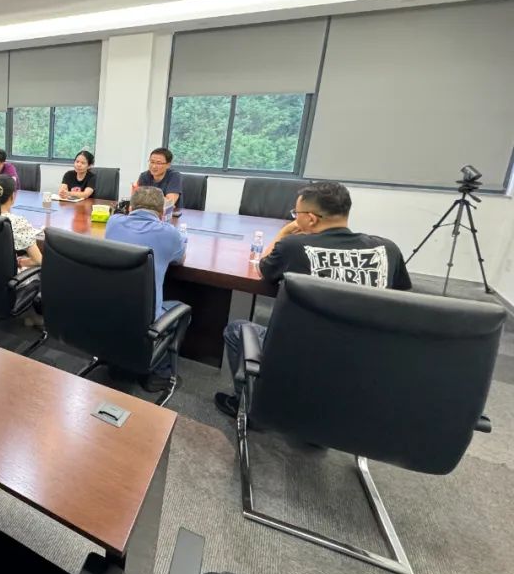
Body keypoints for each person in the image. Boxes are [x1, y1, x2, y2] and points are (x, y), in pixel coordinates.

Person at [214, 181, 413, 419]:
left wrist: (284, 232)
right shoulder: (388, 249)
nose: (294, 218)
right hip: (368, 356)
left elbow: (262, 268)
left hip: (304, 352)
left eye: (295, 214)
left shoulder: (293, 247)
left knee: (237, 329)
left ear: (310, 219)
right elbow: (399, 297)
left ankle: (250, 407)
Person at [105, 187, 187, 389]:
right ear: (162, 213)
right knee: (181, 311)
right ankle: (159, 372)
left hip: (108, 308)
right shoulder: (170, 233)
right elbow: (180, 259)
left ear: (130, 208)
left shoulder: (113, 222)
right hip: (145, 318)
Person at [0, 174, 42, 265]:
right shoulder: (17, 223)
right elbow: (38, 261)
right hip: (3, 272)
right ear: (12, 196)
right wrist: (19, 262)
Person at [132, 148, 183, 213]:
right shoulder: (144, 176)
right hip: (148, 213)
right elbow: (138, 202)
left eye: (158, 163)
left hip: (170, 215)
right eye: (152, 162)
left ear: (168, 165)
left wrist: (147, 198)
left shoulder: (174, 176)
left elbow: (169, 203)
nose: (154, 166)